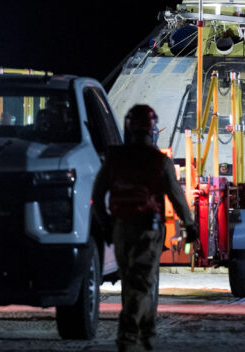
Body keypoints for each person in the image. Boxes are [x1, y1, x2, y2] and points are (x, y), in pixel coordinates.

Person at [92, 104, 198, 352]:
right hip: (148, 232)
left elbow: (97, 196)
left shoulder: (114, 159)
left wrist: (106, 224)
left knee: (133, 283)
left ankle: (147, 336)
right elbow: (177, 197)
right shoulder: (159, 161)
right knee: (142, 284)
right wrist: (189, 225)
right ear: (152, 130)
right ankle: (128, 339)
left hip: (120, 228)